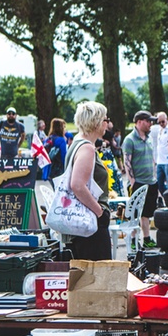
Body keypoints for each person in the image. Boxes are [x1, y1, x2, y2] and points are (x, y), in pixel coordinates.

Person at [61, 102, 111, 260]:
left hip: (80, 221)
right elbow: (77, 185)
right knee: (97, 277)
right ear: (96, 122)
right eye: (105, 119)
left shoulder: (76, 142)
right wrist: (100, 212)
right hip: (89, 222)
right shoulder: (87, 148)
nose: (107, 124)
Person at [122, 110, 160, 251]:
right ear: (139, 122)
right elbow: (127, 162)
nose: (151, 124)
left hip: (151, 181)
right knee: (135, 213)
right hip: (138, 182)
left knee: (147, 213)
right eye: (148, 121)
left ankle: (147, 238)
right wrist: (132, 182)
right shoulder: (130, 139)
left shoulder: (149, 138)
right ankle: (133, 239)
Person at [154, 112, 168, 198]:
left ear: (167, 119)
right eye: (159, 122)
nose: (161, 124)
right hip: (160, 160)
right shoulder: (160, 129)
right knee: (159, 184)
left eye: (163, 122)